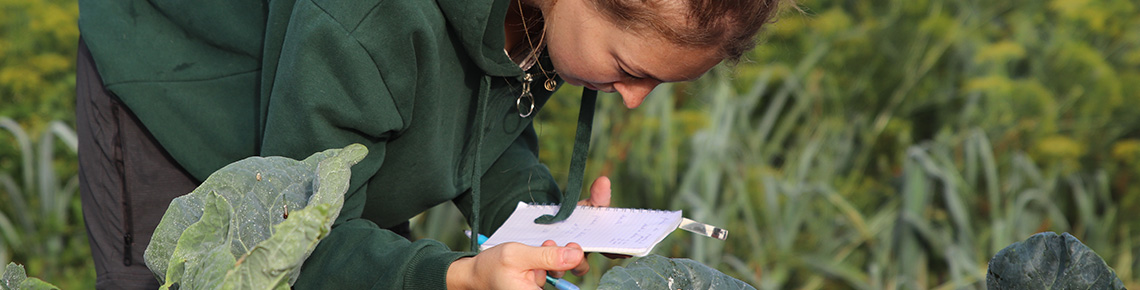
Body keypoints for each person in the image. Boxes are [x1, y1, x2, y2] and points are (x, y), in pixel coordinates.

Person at [75, 0, 781, 288]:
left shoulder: (552, 20)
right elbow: (296, 241)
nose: (631, 99)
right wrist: (454, 276)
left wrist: (543, 219)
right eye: (630, 72)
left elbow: (487, 125)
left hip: (329, 134)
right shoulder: (370, 21)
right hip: (183, 94)